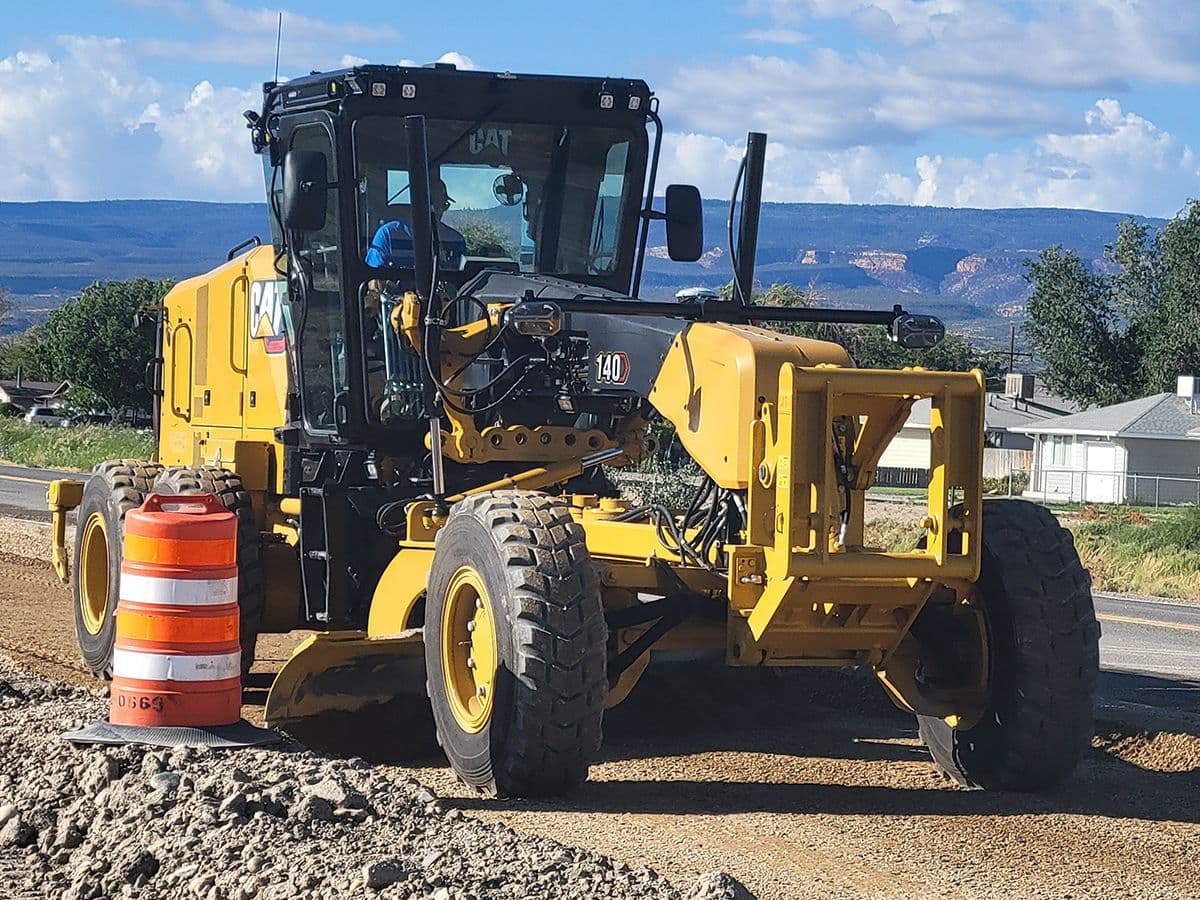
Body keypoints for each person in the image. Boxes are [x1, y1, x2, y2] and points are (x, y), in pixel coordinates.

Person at [365, 177, 465, 269]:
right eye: (435, 206)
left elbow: (460, 277)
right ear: (418, 204)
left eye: (444, 206)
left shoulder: (455, 240)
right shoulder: (387, 235)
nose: (440, 211)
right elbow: (372, 277)